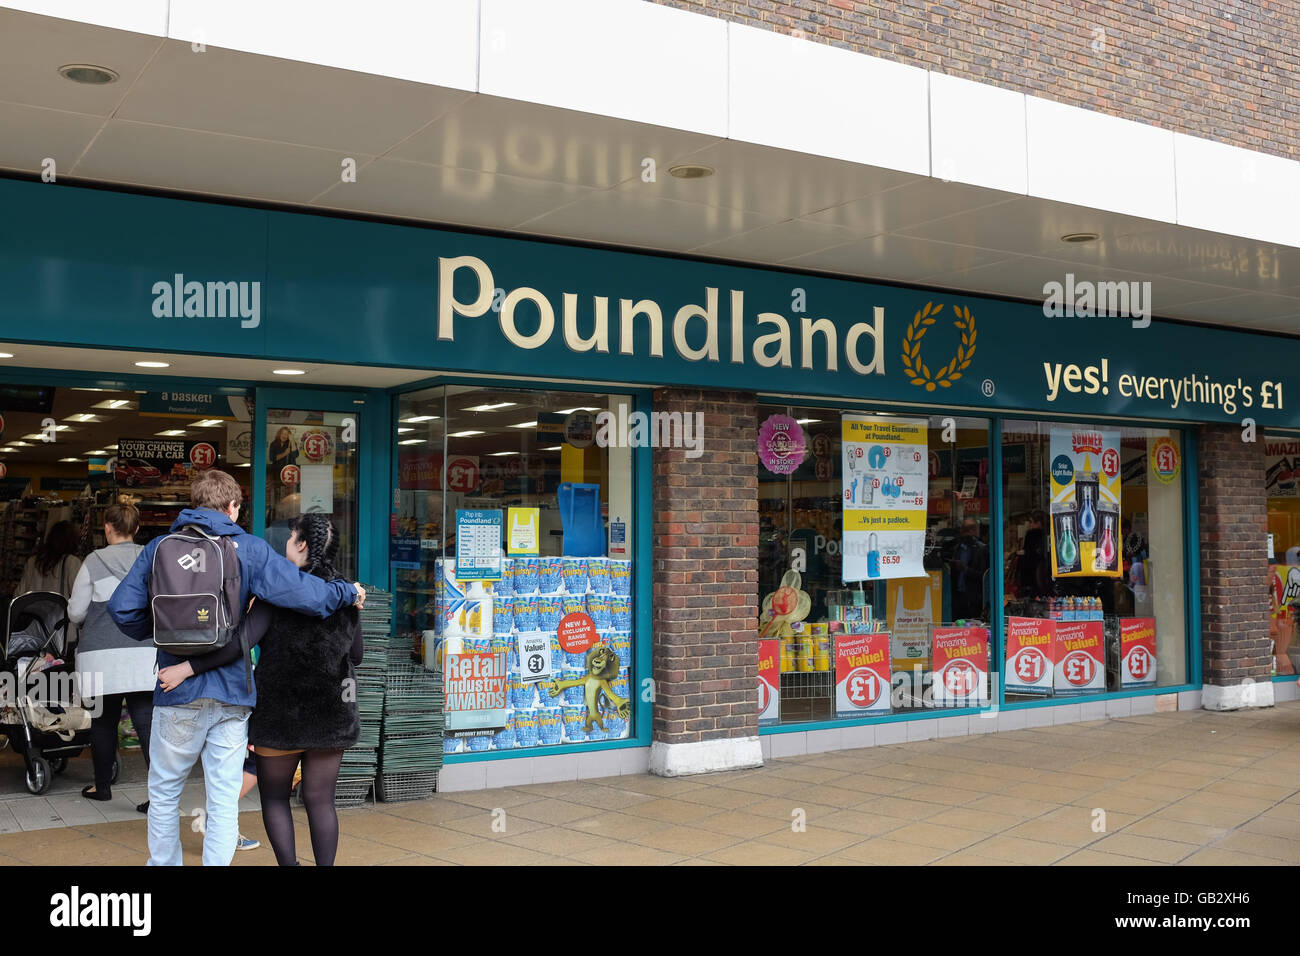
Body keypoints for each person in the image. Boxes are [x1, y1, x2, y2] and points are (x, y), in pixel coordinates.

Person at [108, 469, 366, 867]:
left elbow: (122, 609)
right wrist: (346, 592)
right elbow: (305, 595)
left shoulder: (159, 547)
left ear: (194, 504)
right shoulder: (249, 549)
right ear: (233, 507)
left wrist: (167, 632)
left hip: (177, 691)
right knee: (224, 796)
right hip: (232, 695)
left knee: (163, 793)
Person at [67, 498, 152, 810]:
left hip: (100, 657)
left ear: (107, 527)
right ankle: (158, 797)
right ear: (137, 528)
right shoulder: (150, 557)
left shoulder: (92, 561)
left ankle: (102, 787)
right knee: (147, 723)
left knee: (103, 722)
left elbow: (76, 613)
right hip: (144, 654)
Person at [17, 520, 82, 598]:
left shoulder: (32, 561)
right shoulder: (71, 562)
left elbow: (19, 594)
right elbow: (80, 596)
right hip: (59, 609)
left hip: (31, 609)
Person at [951, 518, 989, 620]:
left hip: (974, 598)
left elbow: (983, 576)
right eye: (965, 529)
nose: (967, 533)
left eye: (970, 529)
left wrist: (965, 569)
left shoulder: (981, 550)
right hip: (958, 597)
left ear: (975, 531)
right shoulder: (957, 548)